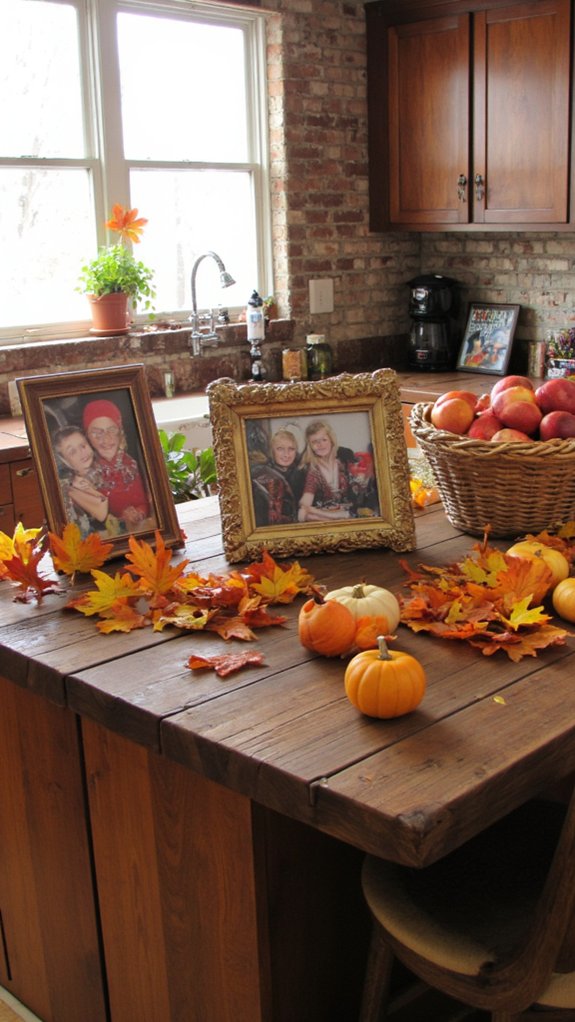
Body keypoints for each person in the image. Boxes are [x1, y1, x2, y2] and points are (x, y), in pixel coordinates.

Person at [82, 398, 154, 532]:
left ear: (120, 432)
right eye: (97, 433)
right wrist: (121, 518)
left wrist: (138, 513)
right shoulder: (84, 473)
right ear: (87, 437)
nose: (106, 439)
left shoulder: (131, 465)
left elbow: (145, 502)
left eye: (111, 430)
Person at [53, 425, 121, 537]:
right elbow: (101, 512)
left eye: (83, 445)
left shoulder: (106, 467)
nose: (82, 453)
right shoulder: (72, 488)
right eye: (72, 452)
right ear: (65, 461)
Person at [298, 420, 356, 522]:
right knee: (302, 513)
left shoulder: (344, 459)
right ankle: (337, 517)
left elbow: (357, 491)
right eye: (315, 442)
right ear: (310, 446)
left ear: (331, 440)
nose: (320, 444)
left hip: (349, 510)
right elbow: (305, 502)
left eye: (324, 440)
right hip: (326, 514)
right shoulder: (312, 469)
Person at [251, 428, 305, 526]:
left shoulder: (301, 473)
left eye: (291, 449)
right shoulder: (267, 476)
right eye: (280, 449)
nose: (286, 454)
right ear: (272, 451)